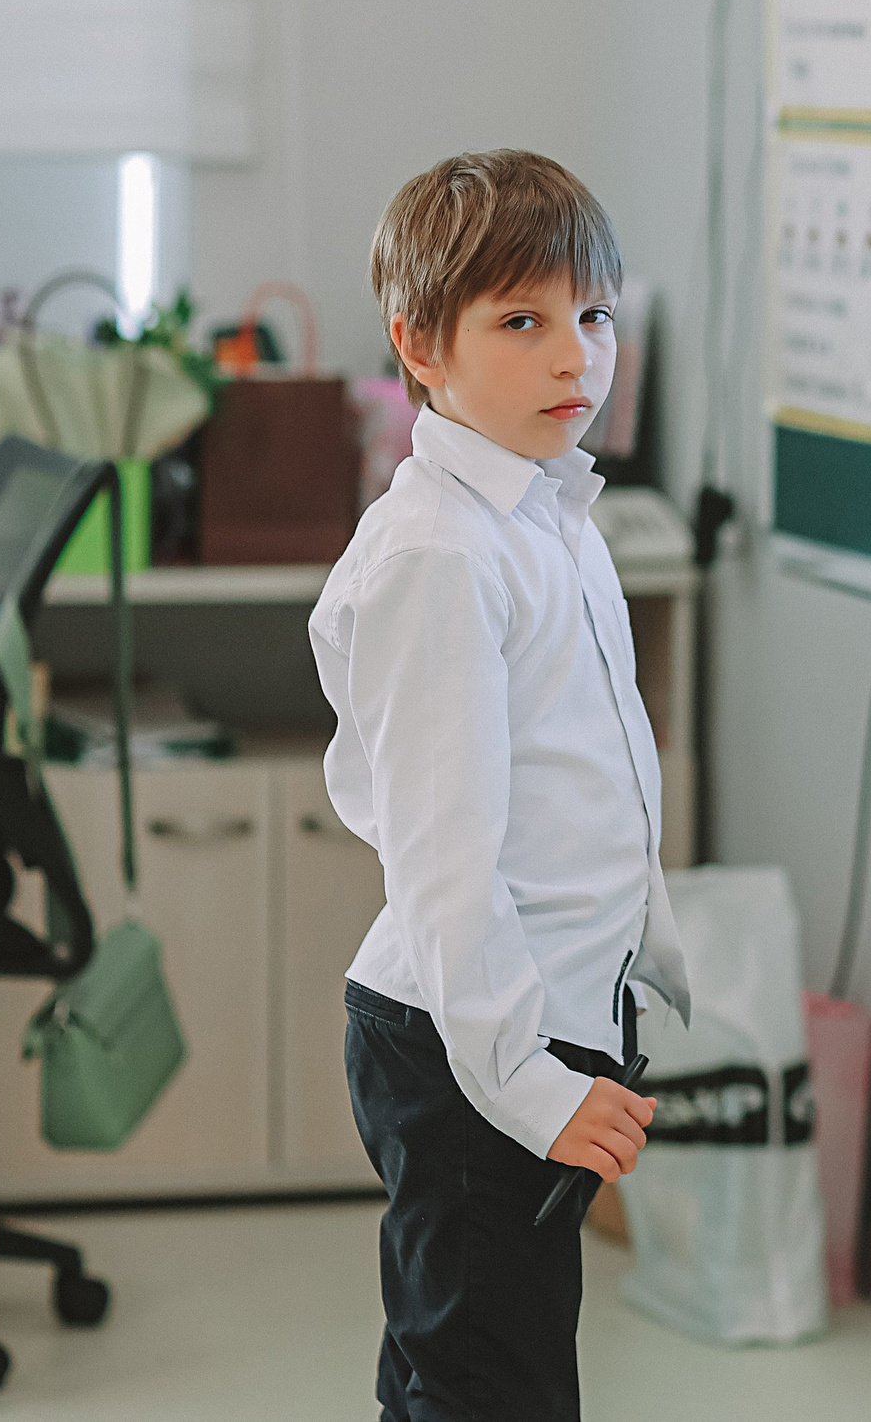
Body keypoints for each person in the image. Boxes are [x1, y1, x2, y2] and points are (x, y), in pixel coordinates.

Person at [311, 149, 690, 1420]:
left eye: (592, 316)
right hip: (472, 1043)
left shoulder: (546, 511)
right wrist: (528, 1083)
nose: (575, 359)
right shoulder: (442, 556)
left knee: (463, 1372)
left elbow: (595, 774)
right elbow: (442, 861)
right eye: (520, 322)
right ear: (420, 345)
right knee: (488, 1390)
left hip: (542, 1014)